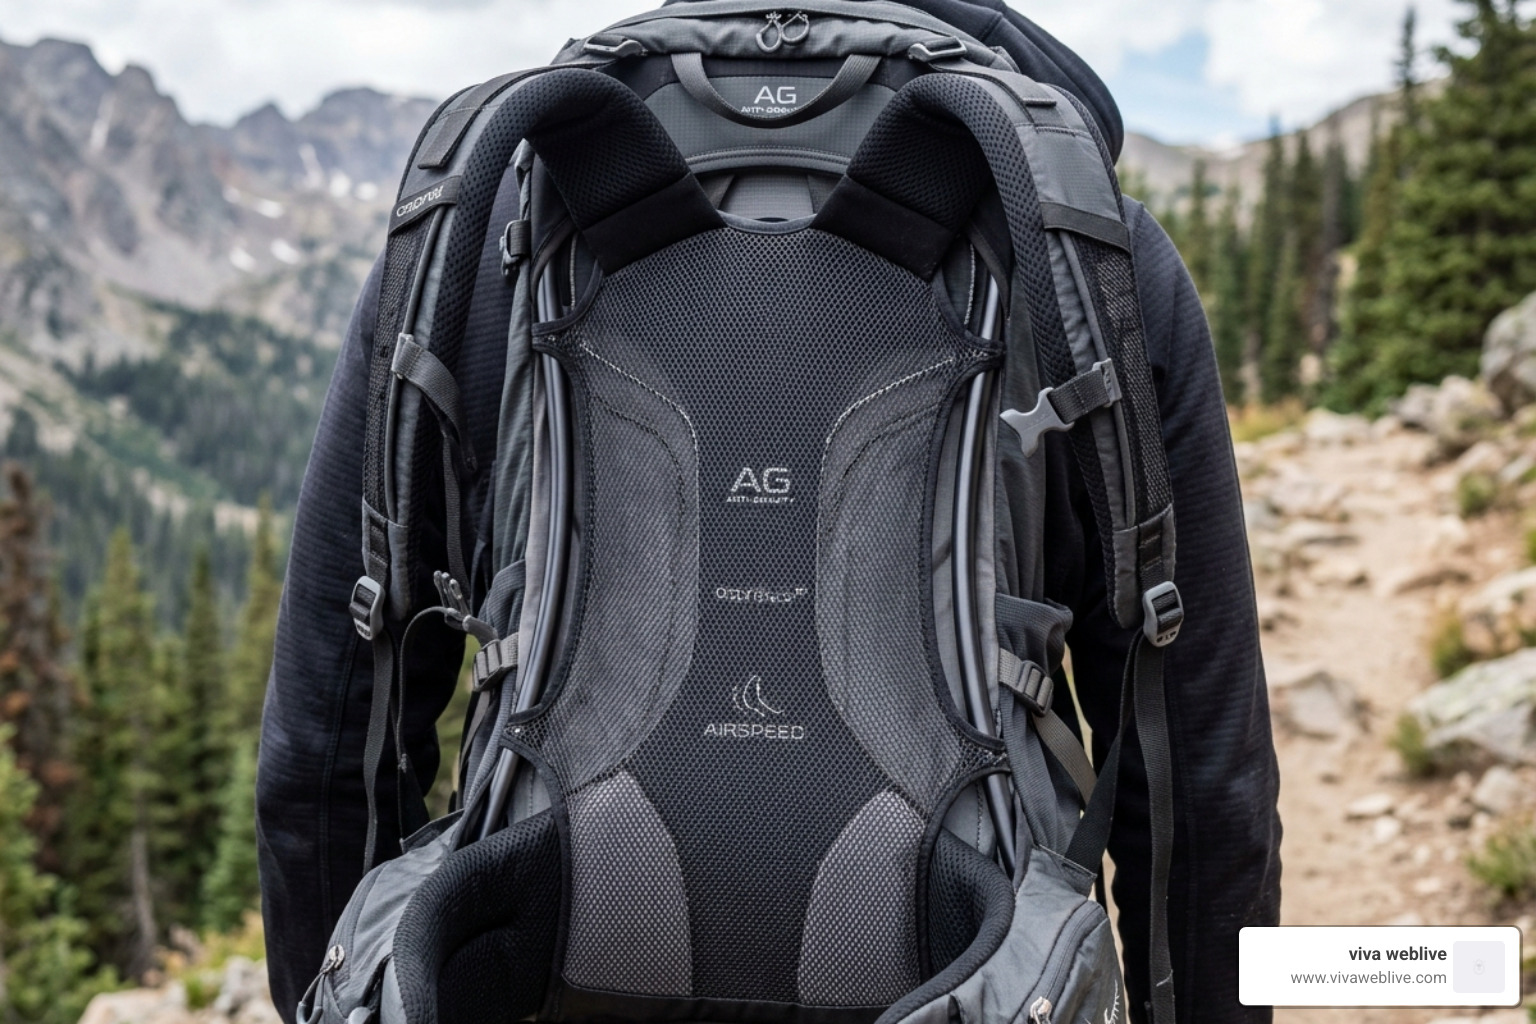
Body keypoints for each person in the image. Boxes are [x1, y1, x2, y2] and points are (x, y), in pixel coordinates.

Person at [256, 5, 1282, 1022]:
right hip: (965, 981)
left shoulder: (490, 224)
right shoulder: (1078, 244)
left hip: (540, 976)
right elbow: (1202, 773)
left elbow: (325, 739)